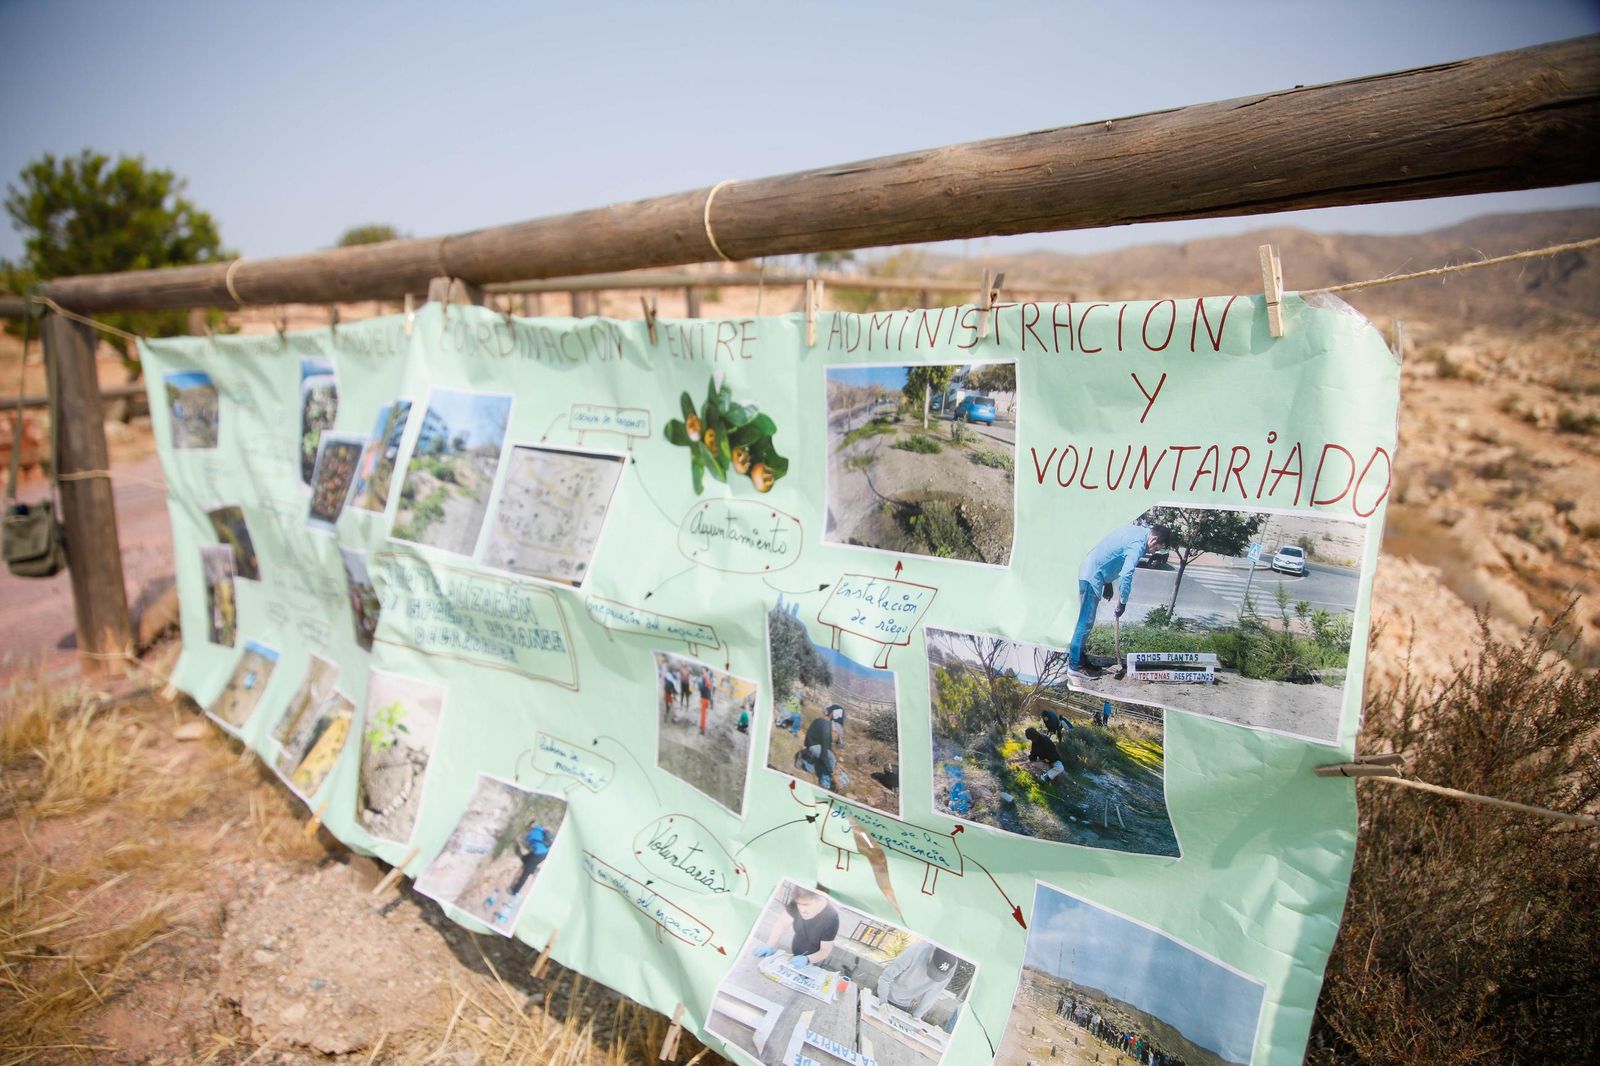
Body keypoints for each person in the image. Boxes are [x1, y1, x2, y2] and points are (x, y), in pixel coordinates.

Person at [1068, 523, 1172, 680]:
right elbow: (1126, 574)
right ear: (1154, 539)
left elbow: (1110, 551)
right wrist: (1122, 602)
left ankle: (1081, 660)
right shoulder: (1138, 545)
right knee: (1085, 622)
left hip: (1093, 571)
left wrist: (1108, 581)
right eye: (1156, 548)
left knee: (1086, 621)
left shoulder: (1136, 530)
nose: (1154, 552)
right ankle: (1074, 666)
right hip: (1092, 576)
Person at [751, 886, 839, 967]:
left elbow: (825, 950)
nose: (802, 910)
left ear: (820, 901)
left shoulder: (831, 918)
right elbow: (782, 923)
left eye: (806, 905)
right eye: (799, 904)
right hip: (797, 946)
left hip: (814, 957)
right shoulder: (800, 899)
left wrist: (808, 959)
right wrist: (771, 944)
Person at [875, 940, 960, 1021]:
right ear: (932, 954)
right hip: (883, 994)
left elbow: (933, 994)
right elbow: (886, 977)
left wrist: (917, 1016)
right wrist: (882, 1002)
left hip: (904, 1004)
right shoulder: (917, 950)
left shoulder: (950, 966)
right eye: (933, 969)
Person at [797, 715, 842, 790]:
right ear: (834, 732)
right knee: (830, 759)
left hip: (811, 741)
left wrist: (836, 763)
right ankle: (825, 783)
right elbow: (825, 755)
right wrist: (833, 773)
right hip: (812, 744)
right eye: (837, 737)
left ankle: (804, 760)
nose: (836, 739)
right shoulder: (827, 732)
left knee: (815, 768)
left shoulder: (828, 727)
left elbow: (828, 748)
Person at [509, 821, 551, 896]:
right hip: (546, 852)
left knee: (526, 873)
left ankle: (515, 891)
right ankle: (533, 869)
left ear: (528, 828)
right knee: (525, 860)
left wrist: (518, 841)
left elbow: (527, 847)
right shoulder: (540, 828)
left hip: (537, 854)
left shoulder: (529, 836)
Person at [697, 669, 714, 735]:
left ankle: (703, 730)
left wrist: (699, 684)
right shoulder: (708, 679)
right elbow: (709, 691)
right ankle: (701, 726)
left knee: (703, 715)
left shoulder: (704, 678)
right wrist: (710, 701)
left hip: (704, 698)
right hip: (706, 698)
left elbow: (701, 688)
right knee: (703, 714)